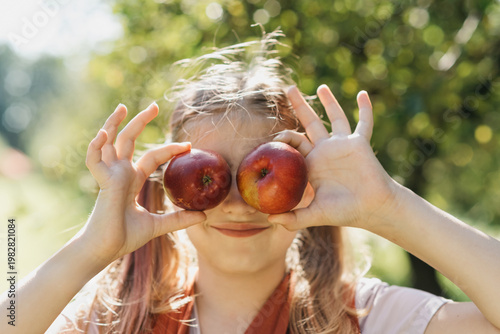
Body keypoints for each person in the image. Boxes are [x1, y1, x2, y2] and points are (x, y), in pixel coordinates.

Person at [1, 31, 499, 334]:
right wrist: (91, 250)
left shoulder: (368, 317)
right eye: (211, 177)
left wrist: (389, 208)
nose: (239, 204)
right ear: (166, 184)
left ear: (308, 184)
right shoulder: (113, 319)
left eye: (256, 174)